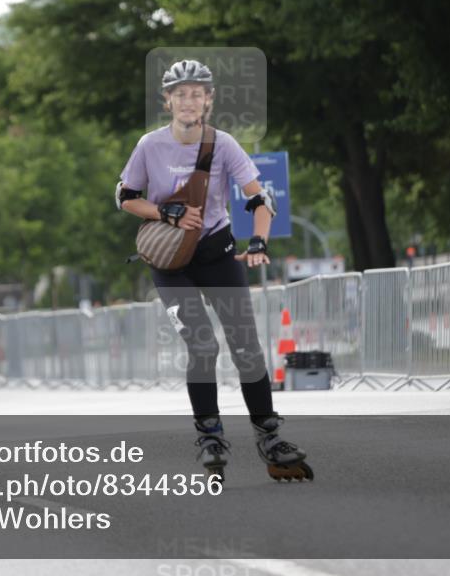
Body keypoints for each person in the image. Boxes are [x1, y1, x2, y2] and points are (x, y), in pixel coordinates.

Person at [115, 59, 312, 482]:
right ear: (167, 101)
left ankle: (270, 437)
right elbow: (126, 197)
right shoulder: (149, 145)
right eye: (180, 94)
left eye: (196, 93)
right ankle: (210, 437)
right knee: (203, 346)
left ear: (209, 99)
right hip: (170, 263)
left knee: (246, 346)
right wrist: (164, 212)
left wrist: (258, 241)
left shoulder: (223, 144)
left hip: (217, 253)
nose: (188, 101)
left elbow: (259, 200)